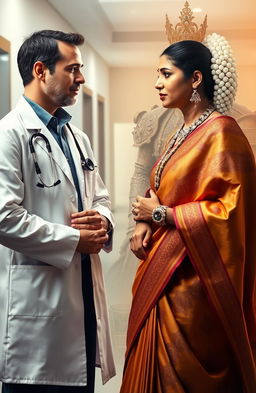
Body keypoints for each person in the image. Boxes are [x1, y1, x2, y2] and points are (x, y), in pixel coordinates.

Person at [120, 34, 256, 393]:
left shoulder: (223, 132)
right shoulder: (178, 133)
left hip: (194, 290)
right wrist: (143, 218)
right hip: (160, 275)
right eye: (156, 74)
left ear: (195, 79)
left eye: (165, 73)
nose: (157, 82)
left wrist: (163, 214)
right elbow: (162, 187)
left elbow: (229, 212)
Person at [0, 30, 115, 392]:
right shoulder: (10, 134)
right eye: (73, 68)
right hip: (37, 314)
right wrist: (73, 240)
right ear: (41, 70)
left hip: (80, 300)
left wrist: (103, 221)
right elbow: (4, 217)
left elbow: (101, 198)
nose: (81, 78)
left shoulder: (77, 138)